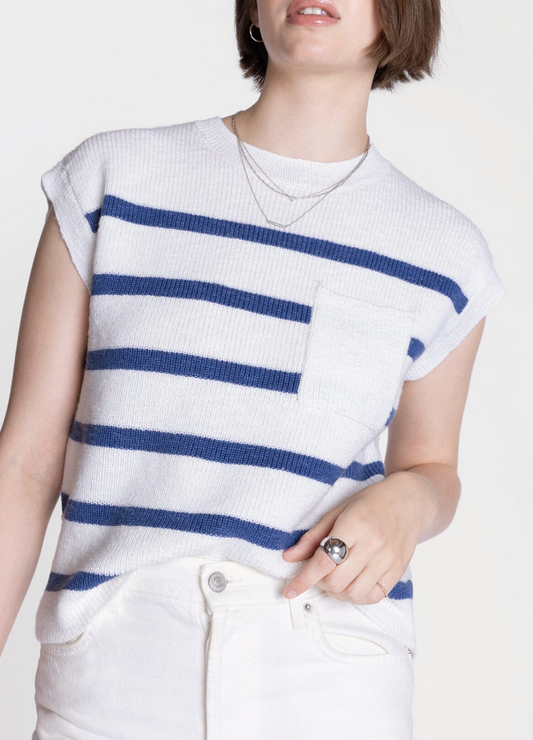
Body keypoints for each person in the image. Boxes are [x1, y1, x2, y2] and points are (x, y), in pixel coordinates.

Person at [0, 0, 506, 738]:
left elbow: (432, 466)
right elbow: (25, 462)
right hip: (115, 671)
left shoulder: (446, 252)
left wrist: (414, 500)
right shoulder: (114, 178)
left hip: (330, 673)